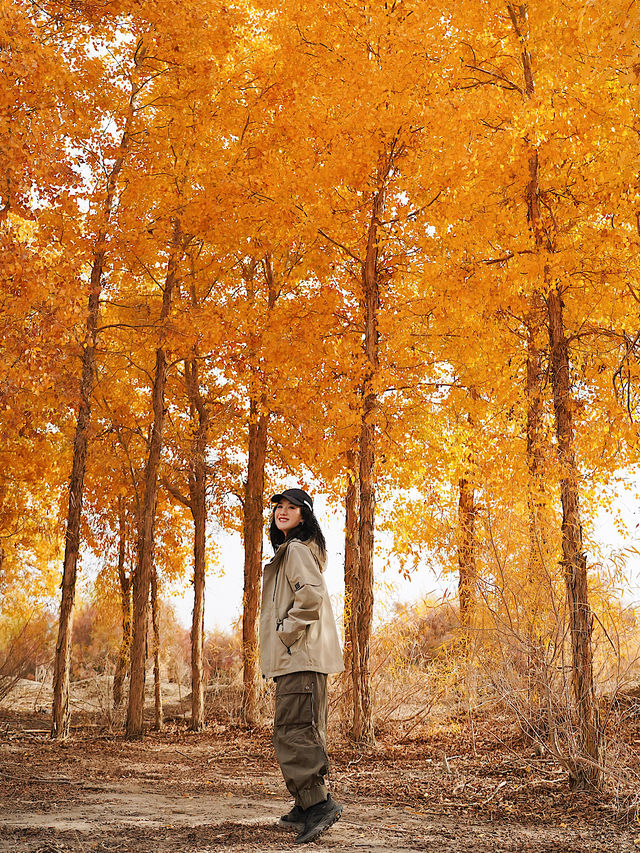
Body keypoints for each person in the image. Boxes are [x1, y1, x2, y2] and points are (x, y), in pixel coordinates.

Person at [259, 487, 345, 845]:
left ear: (304, 516)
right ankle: (304, 803)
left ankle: (318, 804)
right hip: (297, 661)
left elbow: (309, 598)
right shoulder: (292, 551)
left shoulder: (295, 550)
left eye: (292, 507)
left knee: (294, 731)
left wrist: (285, 634)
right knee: (298, 729)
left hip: (300, 658)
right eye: (279, 505)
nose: (283, 510)